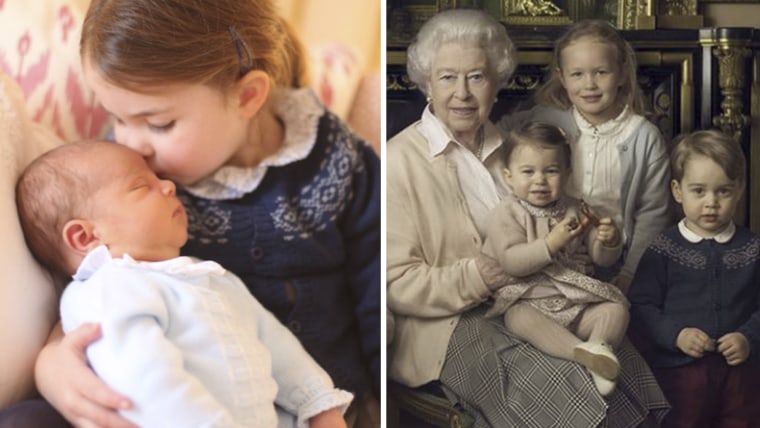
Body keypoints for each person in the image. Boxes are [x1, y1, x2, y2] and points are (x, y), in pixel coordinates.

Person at [24, 1, 381, 427]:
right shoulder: (128, 175)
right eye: (117, 118)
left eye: (158, 123)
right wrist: (49, 363)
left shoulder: (341, 163)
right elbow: (91, 278)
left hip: (325, 406)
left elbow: (378, 298)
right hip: (186, 403)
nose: (132, 143)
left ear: (247, 96)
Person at [387, 8, 668, 427]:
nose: (462, 93)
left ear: (497, 82)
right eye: (448, 77)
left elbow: (563, 231)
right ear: (427, 83)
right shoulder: (397, 162)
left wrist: (593, 243)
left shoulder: (518, 149)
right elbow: (396, 284)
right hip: (449, 325)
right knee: (565, 384)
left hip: (541, 296)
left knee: (619, 364)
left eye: (477, 77)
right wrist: (476, 277)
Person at [15, 141, 354, 427]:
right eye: (141, 186)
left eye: (158, 178)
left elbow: (276, 345)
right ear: (85, 235)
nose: (168, 186)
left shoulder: (211, 278)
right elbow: (146, 380)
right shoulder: (110, 287)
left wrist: (318, 403)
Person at [500, 19, 671, 292]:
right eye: (577, 74)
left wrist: (629, 274)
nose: (589, 84)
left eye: (601, 72)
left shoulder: (644, 137)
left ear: (622, 73)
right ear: (562, 77)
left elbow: (652, 215)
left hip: (614, 260)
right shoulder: (547, 119)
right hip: (552, 254)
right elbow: (500, 133)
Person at [482, 122, 629, 396]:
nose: (540, 180)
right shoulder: (506, 214)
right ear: (509, 176)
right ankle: (583, 354)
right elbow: (511, 261)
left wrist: (608, 241)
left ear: (567, 173)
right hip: (530, 299)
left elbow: (601, 261)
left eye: (551, 171)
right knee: (517, 318)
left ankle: (599, 345)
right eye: (528, 172)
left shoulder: (577, 208)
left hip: (575, 301)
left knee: (616, 310)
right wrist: (550, 244)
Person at [628, 130, 760, 427]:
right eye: (698, 191)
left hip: (740, 374)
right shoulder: (664, 248)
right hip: (679, 373)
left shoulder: (752, 248)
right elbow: (640, 306)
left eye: (723, 191)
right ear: (678, 191)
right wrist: (676, 335)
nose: (711, 202)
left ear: (739, 189)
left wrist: (748, 337)